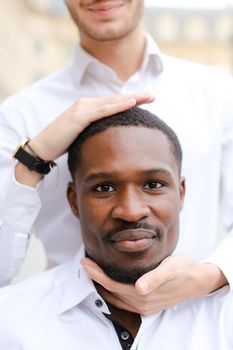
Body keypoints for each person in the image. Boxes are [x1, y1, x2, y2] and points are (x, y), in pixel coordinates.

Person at [0, 0, 232, 313]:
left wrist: (213, 274)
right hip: (63, 332)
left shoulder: (217, 93)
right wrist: (33, 157)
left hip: (195, 325)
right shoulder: (19, 115)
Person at [0, 108, 233, 350]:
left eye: (153, 184)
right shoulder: (10, 322)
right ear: (73, 201)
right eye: (104, 188)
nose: (131, 212)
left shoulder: (225, 317)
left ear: (180, 193)